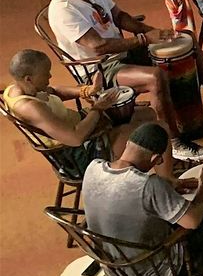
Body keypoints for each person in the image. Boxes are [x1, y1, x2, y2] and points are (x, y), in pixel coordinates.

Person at [47, 0, 203, 163]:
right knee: (155, 77)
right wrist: (144, 39)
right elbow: (99, 47)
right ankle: (175, 143)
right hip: (99, 69)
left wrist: (153, 32)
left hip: (122, 52)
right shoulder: (63, 11)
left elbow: (119, 16)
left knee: (186, 41)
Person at [82, 122, 203, 276]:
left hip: (114, 268)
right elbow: (193, 221)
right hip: (154, 273)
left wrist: (169, 187)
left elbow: (120, 195)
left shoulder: (93, 168)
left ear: (127, 145)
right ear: (155, 160)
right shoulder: (149, 186)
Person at [4, 48, 176, 180]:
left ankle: (157, 171)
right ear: (28, 78)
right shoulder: (30, 107)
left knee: (147, 114)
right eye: (45, 73)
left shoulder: (17, 88)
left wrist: (87, 91)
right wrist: (98, 109)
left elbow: (54, 90)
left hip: (86, 126)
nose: (50, 75)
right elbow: (75, 138)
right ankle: (167, 186)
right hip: (81, 153)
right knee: (159, 130)